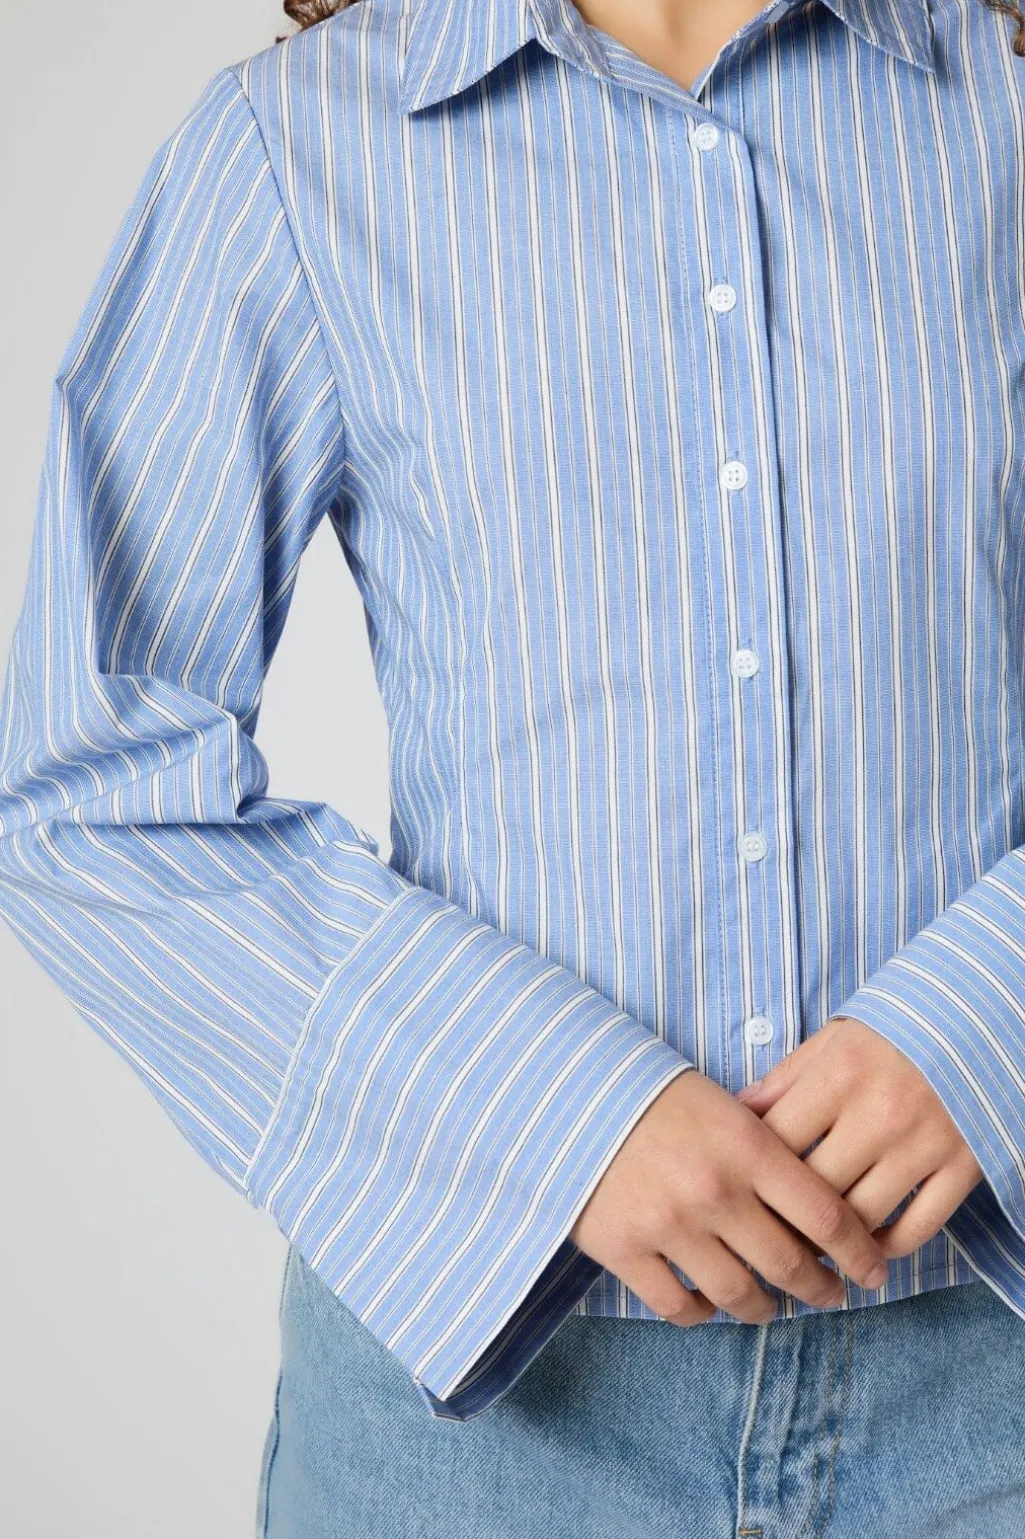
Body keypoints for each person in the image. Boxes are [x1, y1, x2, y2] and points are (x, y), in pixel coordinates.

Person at [3, 0, 1025, 1531]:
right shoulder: (297, 146)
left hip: (988, 1386)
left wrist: (993, 1015)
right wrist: (554, 1116)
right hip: (483, 1441)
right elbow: (87, 780)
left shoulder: (1001, 102)